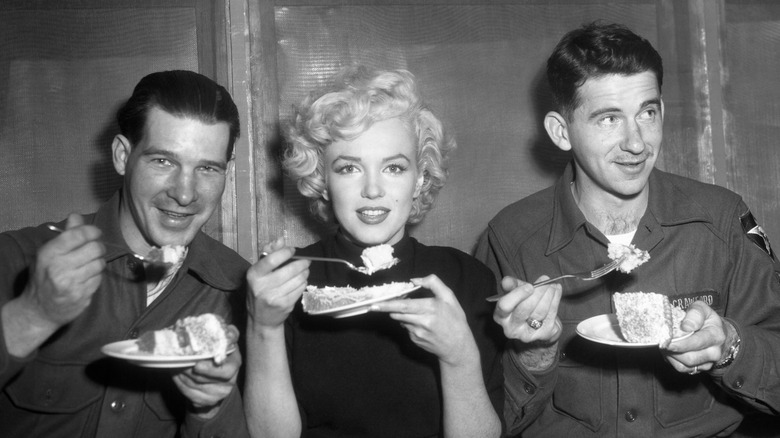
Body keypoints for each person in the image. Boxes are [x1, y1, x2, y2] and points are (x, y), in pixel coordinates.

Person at [475, 21, 780, 437]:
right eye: (608, 119)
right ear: (561, 132)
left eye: (647, 113)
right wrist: (533, 358)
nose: (636, 142)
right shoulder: (510, 239)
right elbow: (483, 421)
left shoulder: (722, 218)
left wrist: (730, 347)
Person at [244, 66, 503, 437]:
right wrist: (263, 326)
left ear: (421, 179)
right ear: (323, 182)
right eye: (349, 168)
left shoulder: (467, 280)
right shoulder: (284, 284)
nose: (372, 189)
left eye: (394, 167)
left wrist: (459, 358)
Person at [0, 70, 250, 437]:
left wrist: (211, 406)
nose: (185, 193)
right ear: (122, 156)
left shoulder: (239, 289)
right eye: (163, 161)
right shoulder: (16, 257)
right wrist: (31, 316)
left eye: (208, 168)